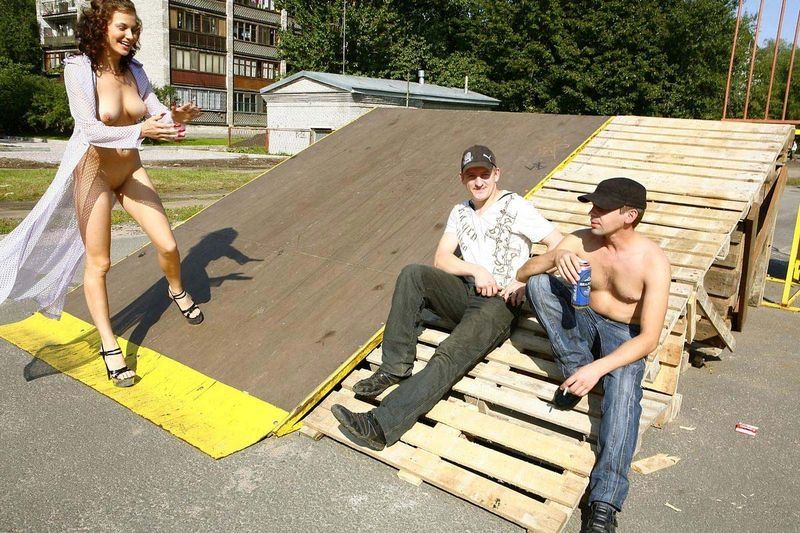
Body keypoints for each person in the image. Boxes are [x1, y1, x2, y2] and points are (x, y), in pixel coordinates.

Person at [0, 0, 203, 387]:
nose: (130, 36)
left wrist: (175, 118)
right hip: (93, 173)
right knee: (100, 264)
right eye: (123, 28)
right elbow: (90, 129)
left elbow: (156, 111)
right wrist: (143, 131)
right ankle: (110, 346)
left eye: (135, 30)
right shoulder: (79, 69)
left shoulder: (136, 71)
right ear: (101, 27)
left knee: (168, 245)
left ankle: (176, 289)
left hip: (130, 171)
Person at [331, 145, 563, 451]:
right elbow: (442, 259)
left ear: (497, 174)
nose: (479, 182)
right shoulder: (460, 211)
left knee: (447, 354)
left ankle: (381, 425)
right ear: (462, 178)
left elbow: (559, 244)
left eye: (485, 174)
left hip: (500, 304)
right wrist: (476, 270)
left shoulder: (515, 206)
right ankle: (394, 367)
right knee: (414, 273)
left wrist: (523, 280)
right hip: (465, 290)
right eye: (471, 176)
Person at [516, 177, 671, 533]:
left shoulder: (652, 261)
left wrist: (600, 369)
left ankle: (604, 505)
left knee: (623, 399)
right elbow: (521, 274)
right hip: (584, 317)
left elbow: (649, 338)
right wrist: (554, 257)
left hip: (625, 336)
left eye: (602, 208)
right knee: (540, 284)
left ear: (630, 215)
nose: (592, 213)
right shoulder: (581, 240)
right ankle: (576, 369)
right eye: (592, 205)